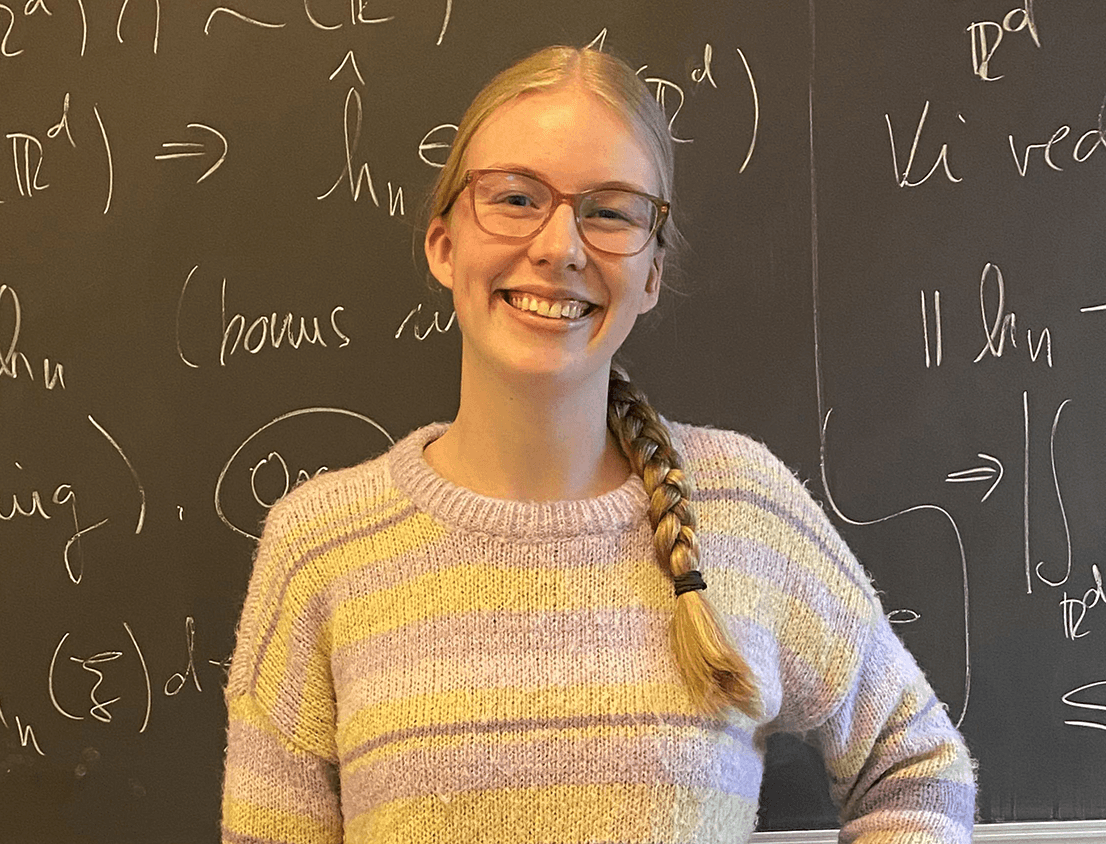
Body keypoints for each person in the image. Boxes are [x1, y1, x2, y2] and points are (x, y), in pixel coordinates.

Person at [220, 45, 976, 843]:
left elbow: (916, 764)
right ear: (444, 245)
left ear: (651, 274)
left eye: (610, 212)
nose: (560, 247)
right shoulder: (320, 544)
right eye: (516, 198)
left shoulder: (742, 508)